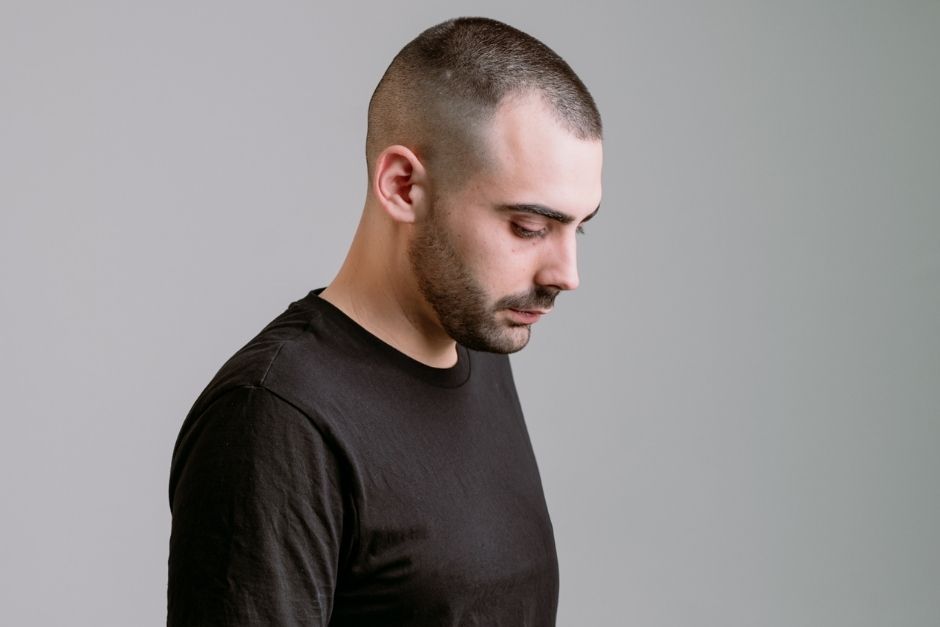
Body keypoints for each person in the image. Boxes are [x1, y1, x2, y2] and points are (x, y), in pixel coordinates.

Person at [167, 16, 603, 626]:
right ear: (402, 186)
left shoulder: (478, 342)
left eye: (579, 228)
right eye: (529, 227)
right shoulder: (274, 417)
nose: (566, 273)